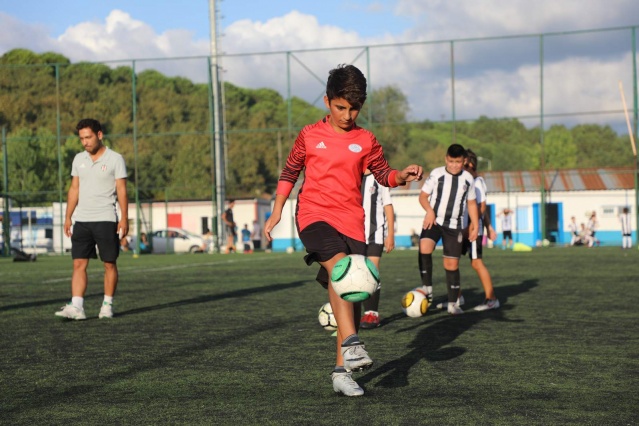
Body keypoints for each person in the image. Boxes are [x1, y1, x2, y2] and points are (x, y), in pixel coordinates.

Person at [263, 64, 423, 397]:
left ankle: (341, 372)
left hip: (352, 222)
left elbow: (383, 173)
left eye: (354, 109)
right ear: (327, 101)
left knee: (351, 294)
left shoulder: (366, 140)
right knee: (342, 268)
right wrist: (276, 211)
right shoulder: (309, 135)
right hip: (313, 216)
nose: (347, 115)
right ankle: (352, 342)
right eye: (340, 107)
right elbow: (290, 172)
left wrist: (401, 176)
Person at [55, 118, 128, 320]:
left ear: (99, 135)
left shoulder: (115, 159)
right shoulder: (78, 159)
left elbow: (122, 190)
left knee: (109, 264)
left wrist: (124, 218)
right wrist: (68, 217)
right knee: (78, 263)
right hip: (82, 221)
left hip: (106, 219)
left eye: (88, 137)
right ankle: (77, 306)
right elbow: (74, 189)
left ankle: (107, 305)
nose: (85, 142)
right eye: (81, 138)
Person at [417, 144, 479, 315]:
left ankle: (453, 303)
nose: (454, 165)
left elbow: (471, 203)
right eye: (451, 161)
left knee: (451, 264)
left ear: (464, 161)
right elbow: (423, 197)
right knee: (424, 247)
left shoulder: (468, 178)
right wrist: (429, 211)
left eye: (457, 162)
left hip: (454, 226)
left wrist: (475, 225)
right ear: (446, 159)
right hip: (435, 221)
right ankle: (427, 288)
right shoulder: (437, 174)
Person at [459, 149, 500, 311]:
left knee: (476, 263)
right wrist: (489, 227)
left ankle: (492, 299)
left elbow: (482, 207)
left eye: (462, 163)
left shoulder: (477, 181)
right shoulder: (464, 181)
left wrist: (474, 226)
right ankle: (456, 297)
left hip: (472, 229)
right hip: (462, 227)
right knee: (451, 261)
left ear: (470, 164)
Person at [359, 169, 395, 329]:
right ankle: (355, 313)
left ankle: (372, 313)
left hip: (376, 232)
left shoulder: (380, 178)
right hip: (354, 233)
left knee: (372, 271)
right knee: (357, 272)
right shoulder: (352, 174)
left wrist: (391, 234)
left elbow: (388, 206)